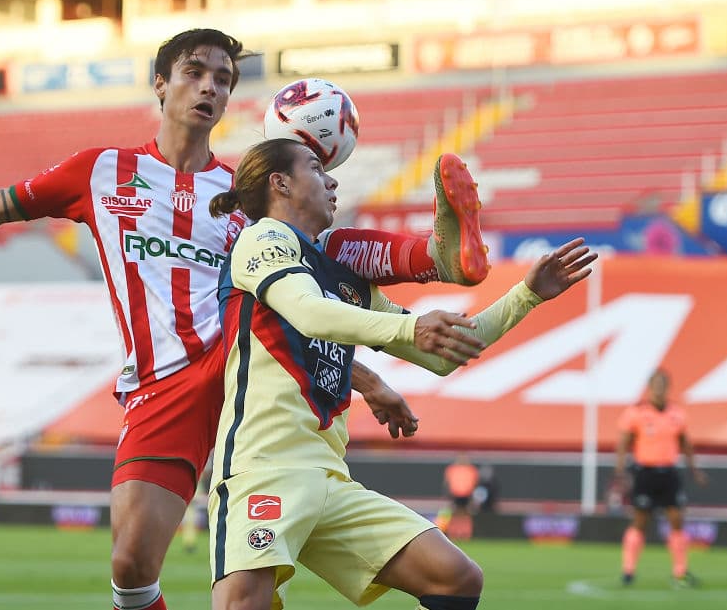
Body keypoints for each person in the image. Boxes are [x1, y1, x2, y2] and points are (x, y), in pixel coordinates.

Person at [0, 29, 491, 610]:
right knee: (131, 565)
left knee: (331, 252)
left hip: (250, 369)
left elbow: (288, 298)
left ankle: (437, 254)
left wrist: (364, 378)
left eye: (222, 77)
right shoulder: (101, 172)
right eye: (195, 72)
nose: (211, 87)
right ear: (161, 85)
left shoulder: (245, 195)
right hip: (165, 381)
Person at [207, 138, 597, 610]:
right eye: (314, 167)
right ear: (280, 183)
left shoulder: (344, 278)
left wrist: (527, 295)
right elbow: (307, 312)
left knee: (454, 577)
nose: (332, 180)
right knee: (242, 605)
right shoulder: (263, 238)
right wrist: (413, 325)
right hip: (264, 468)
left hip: (330, 477)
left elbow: (442, 354)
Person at [614, 368, 708, 588]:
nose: (659, 388)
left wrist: (694, 469)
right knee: (640, 521)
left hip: (669, 472)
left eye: (663, 384)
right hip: (645, 472)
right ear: (649, 387)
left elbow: (685, 443)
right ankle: (628, 570)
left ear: (668, 386)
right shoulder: (636, 413)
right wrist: (620, 471)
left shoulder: (677, 413)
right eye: (656, 384)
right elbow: (623, 443)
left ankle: (680, 571)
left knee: (677, 519)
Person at [443, 452, 479, 540]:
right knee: (455, 514)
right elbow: (447, 482)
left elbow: (474, 484)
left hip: (467, 495)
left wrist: (473, 498)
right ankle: (454, 532)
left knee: (466, 514)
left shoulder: (471, 469)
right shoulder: (452, 469)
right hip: (455, 494)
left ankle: (465, 533)